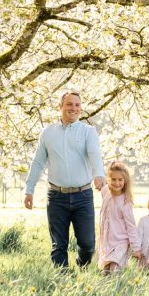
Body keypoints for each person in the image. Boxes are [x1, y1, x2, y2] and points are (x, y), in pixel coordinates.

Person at [24, 91, 105, 268]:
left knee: (88, 244)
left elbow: (94, 155)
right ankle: (62, 280)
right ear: (60, 107)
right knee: (58, 245)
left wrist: (99, 175)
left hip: (83, 196)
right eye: (69, 104)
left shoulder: (88, 132)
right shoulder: (48, 133)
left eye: (77, 105)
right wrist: (29, 190)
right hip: (56, 197)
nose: (73, 108)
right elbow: (38, 162)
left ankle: (82, 267)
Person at [97, 161, 142, 273]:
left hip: (120, 242)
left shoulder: (125, 203)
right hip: (107, 241)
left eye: (120, 180)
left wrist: (136, 248)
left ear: (125, 181)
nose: (116, 183)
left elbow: (131, 226)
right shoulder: (106, 192)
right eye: (113, 179)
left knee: (115, 269)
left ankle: (120, 286)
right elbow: (101, 185)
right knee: (106, 271)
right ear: (108, 179)